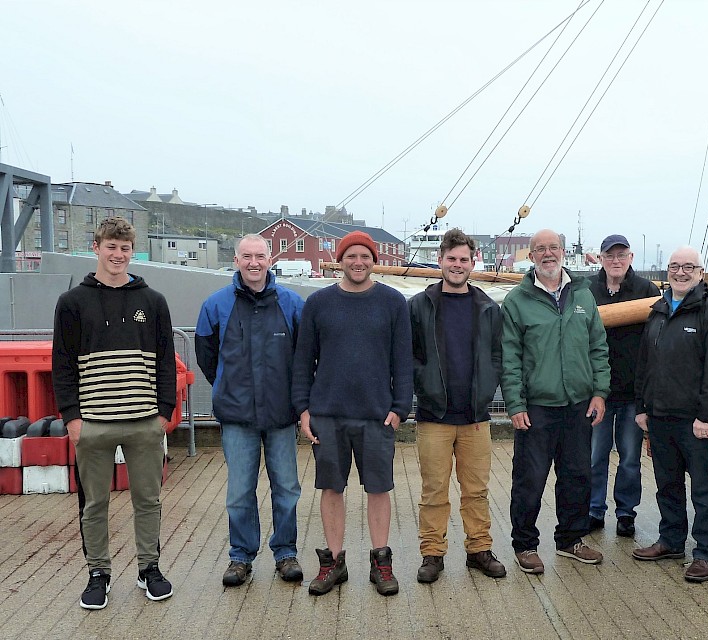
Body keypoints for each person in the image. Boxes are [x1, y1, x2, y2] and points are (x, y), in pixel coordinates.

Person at [52, 216, 176, 609]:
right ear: (97, 247)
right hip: (93, 422)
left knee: (148, 500)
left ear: (131, 251)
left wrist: (163, 413)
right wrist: (72, 417)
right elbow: (63, 363)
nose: (118, 255)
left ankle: (148, 568)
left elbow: (166, 363)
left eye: (125, 248)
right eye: (111, 247)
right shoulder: (72, 302)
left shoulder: (153, 301)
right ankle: (98, 573)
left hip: (144, 421)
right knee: (94, 503)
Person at [292, 230, 413, 596]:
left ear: (373, 261)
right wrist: (303, 409)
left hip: (377, 415)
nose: (358, 262)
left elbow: (403, 361)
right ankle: (334, 562)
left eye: (364, 256)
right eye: (351, 256)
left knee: (378, 488)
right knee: (332, 488)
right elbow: (302, 361)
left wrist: (400, 408)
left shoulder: (393, 303)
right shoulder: (318, 304)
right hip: (328, 413)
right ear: (340, 260)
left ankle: (381, 562)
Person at [195, 234, 305, 587]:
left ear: (270, 259)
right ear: (236, 259)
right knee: (240, 492)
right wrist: (230, 389)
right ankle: (240, 557)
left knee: (286, 488)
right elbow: (207, 359)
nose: (254, 263)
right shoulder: (216, 306)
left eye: (260, 256)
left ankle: (285, 552)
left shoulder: (291, 304)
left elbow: (304, 359)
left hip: (281, 415)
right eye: (247, 256)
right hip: (237, 417)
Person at [501, 229, 610, 574]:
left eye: (553, 248)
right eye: (540, 249)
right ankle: (525, 544)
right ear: (531, 256)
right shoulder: (518, 300)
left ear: (562, 252)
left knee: (577, 474)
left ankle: (570, 539)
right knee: (529, 477)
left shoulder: (583, 295)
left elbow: (598, 347)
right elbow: (510, 357)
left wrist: (599, 391)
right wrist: (515, 405)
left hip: (578, 403)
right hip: (537, 406)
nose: (548, 254)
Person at [631, 246, 708, 583]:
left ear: (700, 272)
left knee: (703, 489)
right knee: (667, 485)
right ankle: (672, 541)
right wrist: (641, 407)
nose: (680, 272)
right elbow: (645, 364)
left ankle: (706, 553)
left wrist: (706, 417)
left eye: (688, 267)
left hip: (695, 421)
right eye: (674, 266)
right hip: (660, 416)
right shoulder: (659, 311)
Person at [410, 228, 506, 584]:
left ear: (472, 262)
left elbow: (497, 354)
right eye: (451, 259)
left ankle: (479, 549)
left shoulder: (486, 307)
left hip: (475, 417)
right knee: (434, 490)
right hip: (434, 416)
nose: (457, 265)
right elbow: (409, 355)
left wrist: (487, 389)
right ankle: (432, 553)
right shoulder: (419, 306)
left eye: (464, 259)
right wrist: (423, 386)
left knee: (477, 490)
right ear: (440, 261)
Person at [587, 234, 660, 537]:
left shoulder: (647, 291)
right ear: (600, 259)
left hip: (633, 392)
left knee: (630, 458)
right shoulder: (587, 290)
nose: (615, 261)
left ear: (631, 258)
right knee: (594, 456)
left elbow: (657, 340)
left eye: (621, 255)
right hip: (597, 393)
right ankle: (593, 510)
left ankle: (626, 512)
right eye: (609, 255)